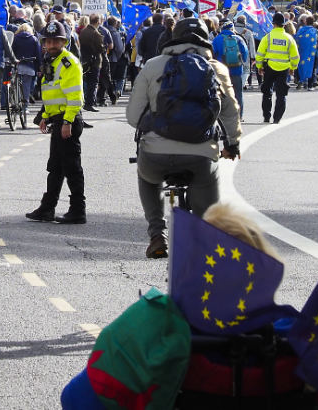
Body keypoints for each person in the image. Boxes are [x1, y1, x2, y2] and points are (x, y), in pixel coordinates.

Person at [128, 18, 241, 259]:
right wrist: (232, 143)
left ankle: (157, 234)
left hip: (156, 153)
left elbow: (133, 116)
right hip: (200, 154)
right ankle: (201, 241)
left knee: (146, 177)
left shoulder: (152, 65)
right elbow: (231, 112)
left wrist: (154, 127)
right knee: (207, 186)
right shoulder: (217, 69)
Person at [25, 21, 86, 225]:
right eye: (48, 41)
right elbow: (53, 93)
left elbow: (74, 97)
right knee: (56, 168)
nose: (51, 45)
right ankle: (47, 208)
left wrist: (67, 121)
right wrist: (45, 115)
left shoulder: (69, 62)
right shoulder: (51, 61)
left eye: (55, 42)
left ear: (64, 42)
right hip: (58, 119)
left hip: (68, 120)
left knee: (72, 168)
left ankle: (78, 209)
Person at [254, 13, 299, 123]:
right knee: (281, 94)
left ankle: (266, 116)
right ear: (284, 25)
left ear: (273, 24)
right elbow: (295, 56)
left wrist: (259, 66)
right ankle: (277, 118)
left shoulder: (267, 37)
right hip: (283, 69)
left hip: (269, 67)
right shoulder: (289, 39)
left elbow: (259, 54)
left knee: (267, 93)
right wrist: (293, 67)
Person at [211, 20, 248, 117]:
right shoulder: (239, 39)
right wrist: (241, 63)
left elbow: (212, 54)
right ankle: (239, 115)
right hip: (236, 70)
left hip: (222, 71)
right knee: (238, 94)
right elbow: (245, 54)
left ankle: (223, 116)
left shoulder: (217, 39)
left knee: (222, 94)